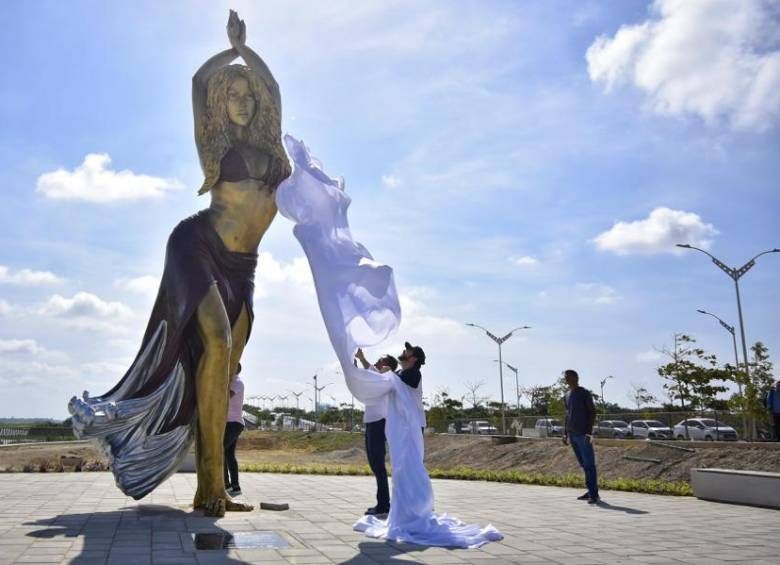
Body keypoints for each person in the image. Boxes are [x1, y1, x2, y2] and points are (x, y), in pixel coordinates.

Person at [68, 10, 290, 516]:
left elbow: (273, 87)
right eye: (233, 94)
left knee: (222, 370)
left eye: (247, 95)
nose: (242, 101)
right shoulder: (216, 144)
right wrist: (233, 48)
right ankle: (212, 490)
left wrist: (251, 58)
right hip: (195, 246)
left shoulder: (271, 149)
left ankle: (209, 487)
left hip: (243, 267)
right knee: (217, 341)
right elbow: (197, 81)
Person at [355, 349, 398, 517]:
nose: (377, 363)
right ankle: (383, 503)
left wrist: (363, 359)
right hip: (371, 423)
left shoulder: (387, 379)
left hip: (379, 424)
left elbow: (373, 371)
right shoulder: (378, 378)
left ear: (387, 366)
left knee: (378, 466)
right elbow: (370, 370)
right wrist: (361, 359)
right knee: (375, 465)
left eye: (381, 361)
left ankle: (383, 505)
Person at [561, 369, 600, 503]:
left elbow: (592, 412)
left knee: (589, 464)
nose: (566, 379)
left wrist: (589, 432)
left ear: (576, 378)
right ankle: (590, 490)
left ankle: (594, 495)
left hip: (583, 434)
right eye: (565, 377)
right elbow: (567, 414)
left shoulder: (584, 393)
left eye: (568, 377)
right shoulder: (566, 395)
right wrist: (565, 433)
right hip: (572, 434)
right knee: (584, 464)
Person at [224, 363, 246, 496]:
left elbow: (226, 396)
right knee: (229, 455)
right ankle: (235, 486)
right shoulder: (232, 381)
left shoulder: (237, 382)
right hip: (229, 423)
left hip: (234, 423)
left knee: (220, 451)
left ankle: (226, 484)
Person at [398, 342, 427, 434]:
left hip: (414, 422)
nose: (404, 351)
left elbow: (406, 380)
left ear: (414, 359)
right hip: (404, 421)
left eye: (408, 351)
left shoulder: (415, 373)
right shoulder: (399, 372)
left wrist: (389, 373)